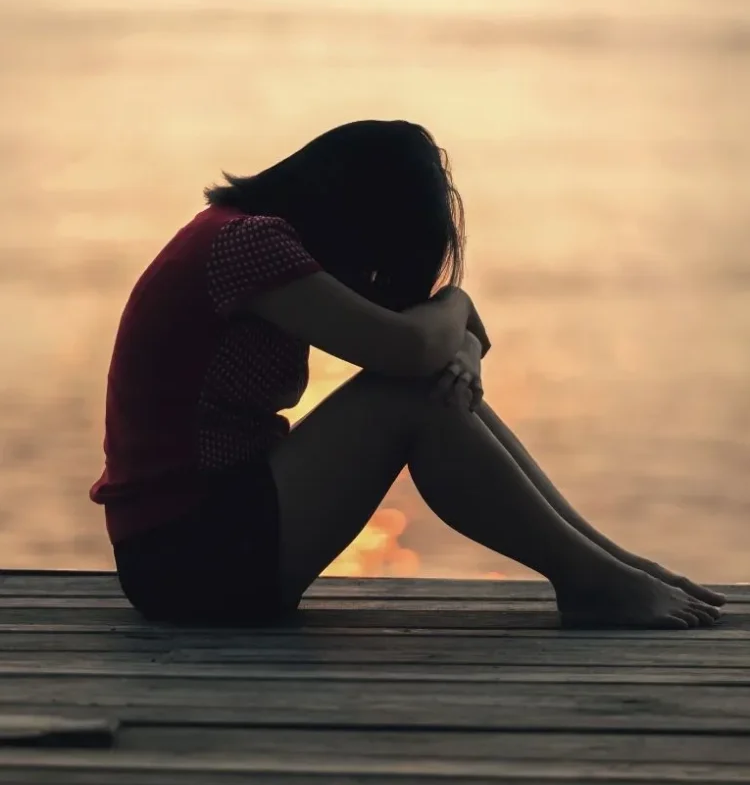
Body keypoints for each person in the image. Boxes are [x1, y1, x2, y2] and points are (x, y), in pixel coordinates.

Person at [90, 119, 725, 629]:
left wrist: (462, 346)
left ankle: (611, 567)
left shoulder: (243, 239)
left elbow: (432, 346)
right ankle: (597, 581)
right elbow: (413, 348)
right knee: (408, 396)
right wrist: (458, 305)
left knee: (423, 388)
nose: (374, 275)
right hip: (188, 557)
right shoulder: (249, 245)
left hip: (198, 544)